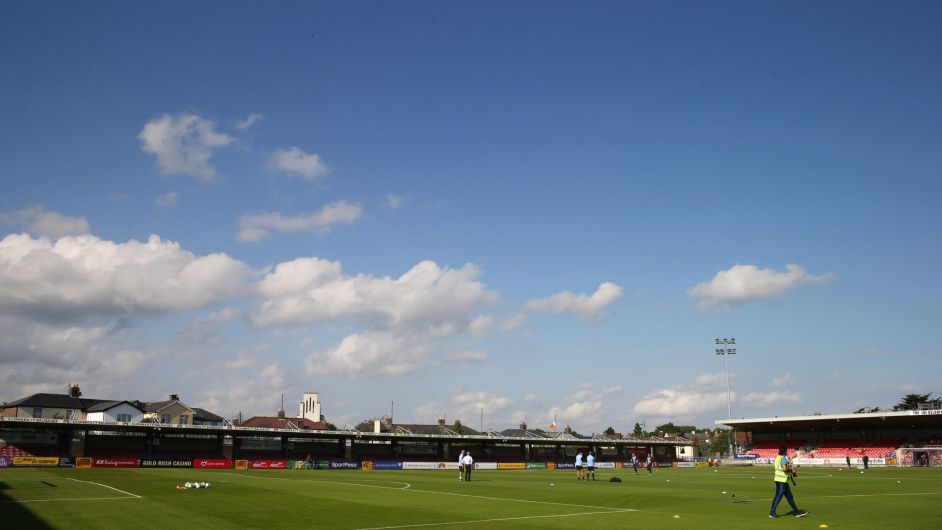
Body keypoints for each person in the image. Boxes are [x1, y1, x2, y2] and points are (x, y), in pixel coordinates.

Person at [769, 446, 808, 519]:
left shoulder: (777, 458)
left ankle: (796, 512)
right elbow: (784, 469)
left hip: (780, 480)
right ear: (785, 451)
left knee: (789, 497)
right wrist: (791, 470)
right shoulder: (783, 458)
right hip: (782, 481)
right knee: (778, 496)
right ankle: (772, 512)